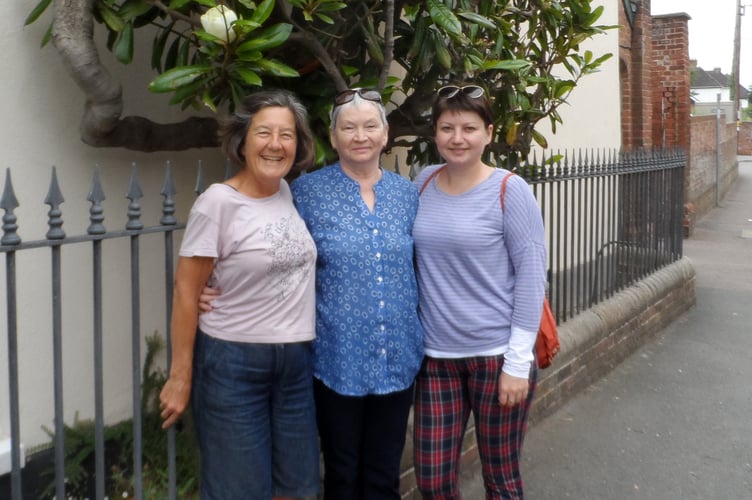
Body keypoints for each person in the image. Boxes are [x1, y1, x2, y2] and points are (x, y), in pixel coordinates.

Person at [200, 88, 424, 499]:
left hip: (397, 354)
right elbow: (271, 248)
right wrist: (213, 287)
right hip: (335, 358)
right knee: (340, 472)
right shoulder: (305, 193)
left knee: (383, 475)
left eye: (370, 126)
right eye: (348, 127)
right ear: (333, 137)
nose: (360, 136)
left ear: (386, 133)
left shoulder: (409, 195)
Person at [158, 90, 320, 500]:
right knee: (239, 491)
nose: (275, 144)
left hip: (295, 365)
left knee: (297, 489)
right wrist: (180, 377)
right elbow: (186, 289)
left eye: (287, 135)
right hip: (233, 364)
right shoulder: (217, 202)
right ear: (242, 140)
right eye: (264, 132)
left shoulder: (286, 193)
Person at [411, 84, 548, 499]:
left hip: (496, 356)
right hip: (436, 359)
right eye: (447, 127)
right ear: (435, 134)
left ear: (489, 133)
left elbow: (530, 275)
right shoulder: (422, 183)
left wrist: (517, 363)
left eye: (469, 127)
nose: (457, 138)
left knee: (500, 478)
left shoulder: (510, 190)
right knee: (433, 481)